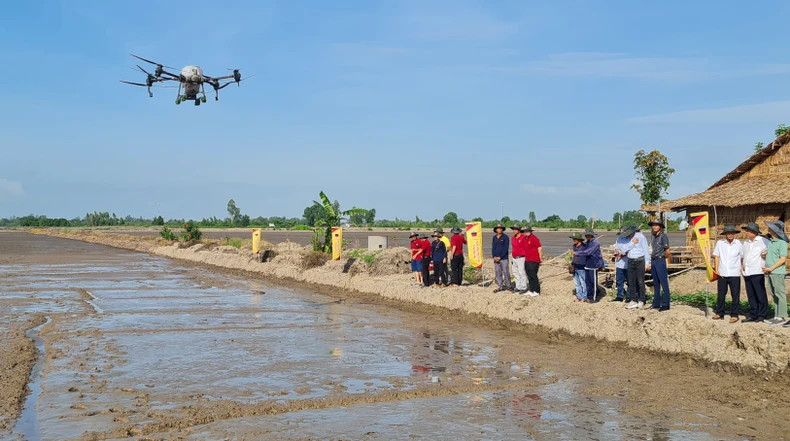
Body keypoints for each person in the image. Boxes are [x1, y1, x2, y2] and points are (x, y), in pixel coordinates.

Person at [712, 225, 743, 323]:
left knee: (735, 295)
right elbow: (717, 256)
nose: (730, 235)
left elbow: (742, 257)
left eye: (732, 233)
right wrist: (716, 270)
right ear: (725, 234)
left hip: (734, 273)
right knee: (721, 294)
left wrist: (743, 269)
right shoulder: (720, 243)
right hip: (722, 272)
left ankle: (734, 314)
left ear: (734, 234)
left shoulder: (739, 244)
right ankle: (720, 313)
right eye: (728, 233)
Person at [762, 220, 788, 326]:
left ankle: (781, 317)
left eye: (770, 228)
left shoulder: (782, 242)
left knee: (779, 294)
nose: (768, 229)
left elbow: (783, 259)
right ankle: (776, 316)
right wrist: (764, 255)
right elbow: (772, 255)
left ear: (775, 231)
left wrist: (771, 268)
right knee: (774, 294)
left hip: (777, 272)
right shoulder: (772, 242)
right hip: (771, 272)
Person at [741, 222, 768, 323]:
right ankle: (753, 314)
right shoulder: (746, 243)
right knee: (751, 294)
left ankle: (762, 314)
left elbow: (773, 251)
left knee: (760, 293)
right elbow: (743, 256)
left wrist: (766, 253)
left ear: (754, 232)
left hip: (758, 271)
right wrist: (742, 268)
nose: (746, 232)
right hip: (747, 271)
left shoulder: (764, 241)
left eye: (748, 231)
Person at [619, 225, 650, 310]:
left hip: (640, 260)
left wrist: (647, 263)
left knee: (640, 281)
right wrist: (632, 243)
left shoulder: (641, 237)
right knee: (631, 281)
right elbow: (623, 249)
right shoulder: (627, 239)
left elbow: (646, 249)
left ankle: (642, 299)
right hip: (630, 260)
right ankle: (633, 299)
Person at [573, 228, 604, 302]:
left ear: (591, 235)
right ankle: (588, 296)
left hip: (594, 264)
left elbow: (588, 252)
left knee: (593, 282)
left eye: (587, 235)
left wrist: (576, 253)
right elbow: (584, 249)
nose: (586, 237)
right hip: (587, 264)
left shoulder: (595, 243)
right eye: (586, 235)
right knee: (588, 282)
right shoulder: (588, 242)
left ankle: (593, 298)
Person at [648, 219, 671, 311]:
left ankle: (666, 304)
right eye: (653, 225)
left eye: (656, 225)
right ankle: (656, 302)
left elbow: (668, 251)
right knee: (656, 283)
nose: (654, 227)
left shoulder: (663, 236)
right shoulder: (653, 236)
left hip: (660, 260)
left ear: (660, 227)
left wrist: (662, 259)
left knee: (664, 282)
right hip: (653, 260)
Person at [612, 227, 631, 303]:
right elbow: (616, 247)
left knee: (629, 281)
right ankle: (620, 296)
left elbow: (630, 249)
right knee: (619, 281)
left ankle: (629, 296)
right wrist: (617, 252)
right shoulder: (619, 238)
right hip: (619, 263)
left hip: (627, 263)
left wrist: (623, 254)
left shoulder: (629, 239)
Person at [522, 226, 542, 297]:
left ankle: (537, 291)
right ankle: (531, 290)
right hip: (527, 259)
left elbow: (539, 248)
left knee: (533, 275)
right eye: (525, 231)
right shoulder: (524, 239)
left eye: (527, 231)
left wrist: (540, 258)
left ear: (530, 231)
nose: (526, 232)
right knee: (529, 275)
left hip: (534, 260)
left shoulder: (534, 238)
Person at [491, 224, 511, 292]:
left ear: (502, 229)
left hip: (504, 258)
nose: (499, 230)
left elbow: (506, 249)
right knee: (498, 273)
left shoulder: (505, 237)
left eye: (500, 228)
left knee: (506, 272)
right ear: (496, 230)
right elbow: (493, 248)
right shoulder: (494, 237)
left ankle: (508, 286)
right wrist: (494, 256)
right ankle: (500, 286)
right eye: (498, 228)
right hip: (496, 258)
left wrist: (500, 257)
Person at [569, 233, 587, 302]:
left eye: (575, 239)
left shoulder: (584, 246)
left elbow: (585, 254)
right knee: (577, 283)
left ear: (579, 240)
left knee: (583, 282)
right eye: (573, 239)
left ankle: (584, 297)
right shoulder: (574, 246)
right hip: (574, 266)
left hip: (582, 266)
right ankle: (579, 296)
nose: (573, 240)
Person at [510, 224, 528, 294]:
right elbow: (513, 248)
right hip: (514, 258)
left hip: (521, 258)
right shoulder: (513, 238)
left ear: (519, 230)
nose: (514, 231)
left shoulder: (523, 237)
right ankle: (518, 286)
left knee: (522, 272)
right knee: (515, 273)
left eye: (515, 229)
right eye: (513, 229)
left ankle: (524, 287)